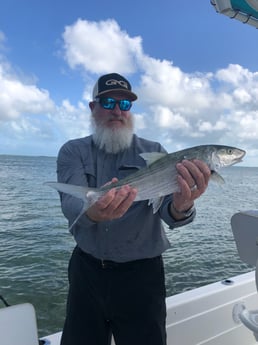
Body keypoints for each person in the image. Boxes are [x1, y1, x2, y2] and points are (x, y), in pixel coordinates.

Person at [57, 73, 211, 345]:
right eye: (108, 102)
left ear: (131, 111)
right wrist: (94, 212)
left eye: (125, 104)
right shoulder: (73, 151)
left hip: (141, 278)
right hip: (87, 273)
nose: (117, 110)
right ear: (93, 108)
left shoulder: (154, 151)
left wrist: (183, 204)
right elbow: (71, 204)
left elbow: (169, 212)